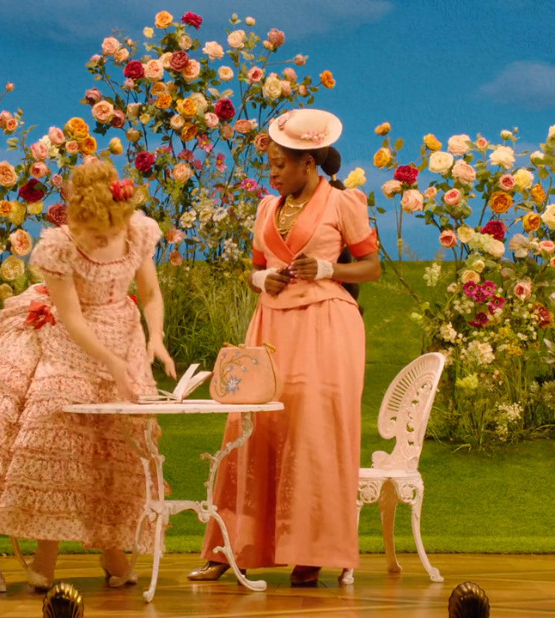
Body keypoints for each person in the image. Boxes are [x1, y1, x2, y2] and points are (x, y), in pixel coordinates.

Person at [0, 159, 177, 592]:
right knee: (58, 444)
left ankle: (113, 548)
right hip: (72, 343)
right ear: (76, 221)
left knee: (120, 445)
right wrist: (111, 364)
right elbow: (73, 318)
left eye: (107, 233)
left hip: (124, 336)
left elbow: (150, 294)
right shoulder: (59, 247)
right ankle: (47, 549)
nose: (101, 240)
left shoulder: (137, 231)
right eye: (92, 233)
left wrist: (155, 338)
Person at [189, 108, 381, 587]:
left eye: (279, 164)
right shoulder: (266, 209)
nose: (272, 173)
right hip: (272, 325)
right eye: (270, 164)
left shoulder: (342, 202)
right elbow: (255, 268)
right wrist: (262, 279)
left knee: (313, 431)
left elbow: (371, 267)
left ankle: (311, 548)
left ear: (307, 163)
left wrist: (329, 269)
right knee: (252, 428)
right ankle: (232, 547)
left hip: (325, 325)